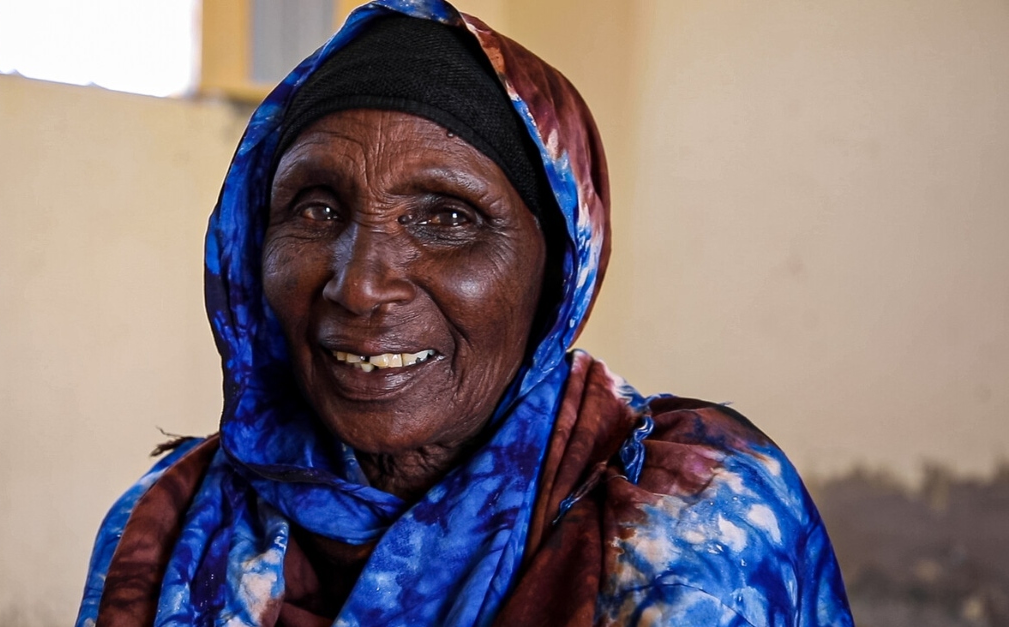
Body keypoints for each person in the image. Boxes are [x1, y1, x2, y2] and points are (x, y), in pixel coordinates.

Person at [76, 1, 854, 625]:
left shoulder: (691, 514)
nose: (360, 285)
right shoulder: (171, 521)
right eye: (315, 209)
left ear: (557, 273)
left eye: (446, 218)